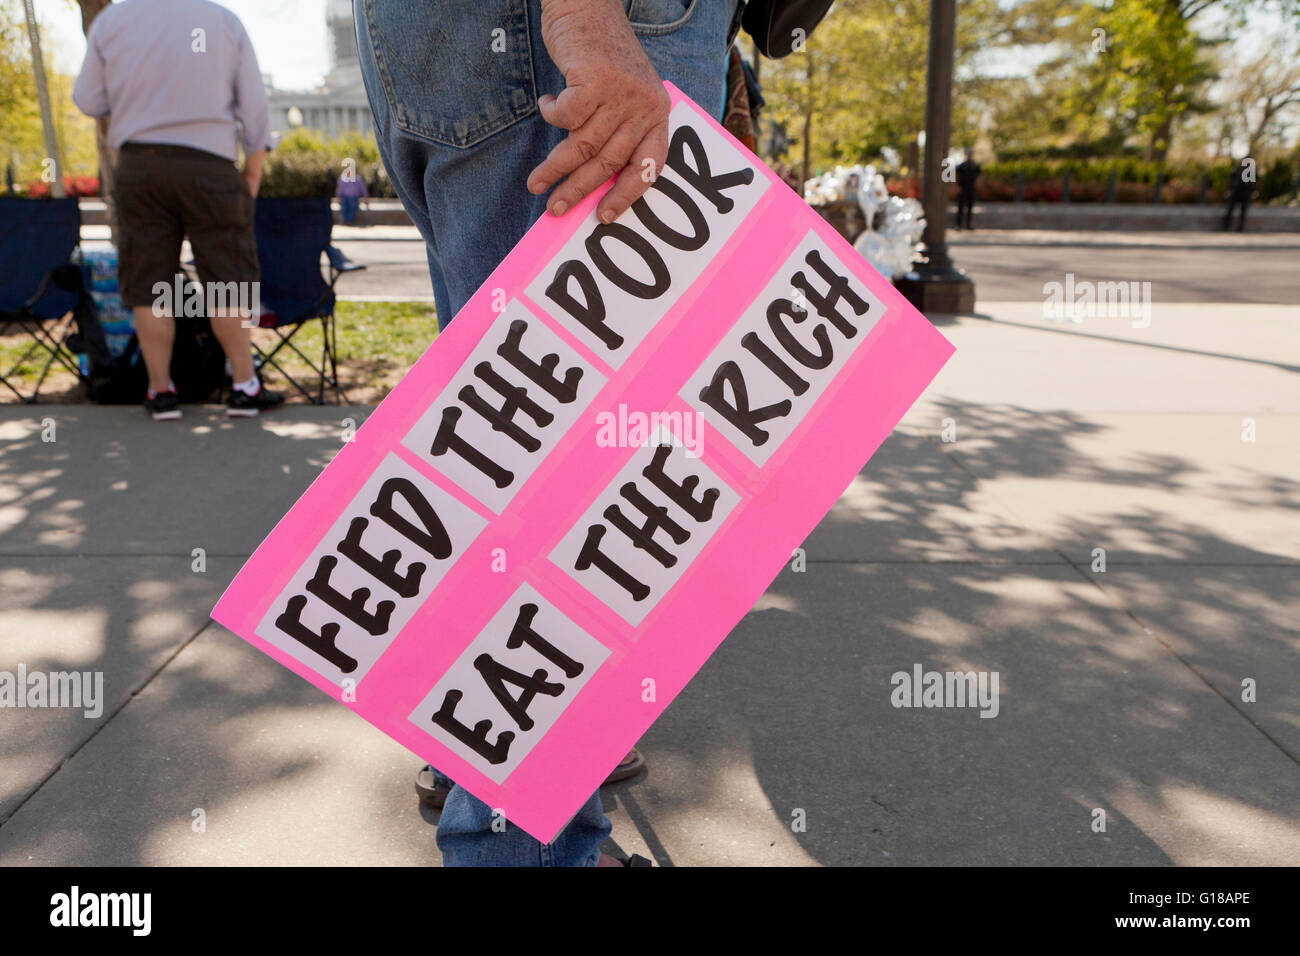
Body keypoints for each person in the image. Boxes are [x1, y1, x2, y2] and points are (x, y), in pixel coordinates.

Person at [356, 0, 742, 866]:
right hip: (572, 28)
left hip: (459, 34)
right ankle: (531, 848)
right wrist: (586, 21)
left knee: (514, 441)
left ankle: (488, 776)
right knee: (565, 480)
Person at [73, 0, 284, 421]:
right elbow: (255, 110)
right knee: (227, 277)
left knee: (149, 281)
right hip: (211, 166)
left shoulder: (112, 21)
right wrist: (253, 174)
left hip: (139, 164)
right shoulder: (224, 22)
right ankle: (244, 386)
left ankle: (160, 391)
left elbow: (87, 99)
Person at [1223, 159, 1254, 232]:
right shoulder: (1237, 169)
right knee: (1230, 210)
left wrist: (1254, 192)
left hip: (1245, 193)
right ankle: (1226, 226)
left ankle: (1240, 228)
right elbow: (1230, 179)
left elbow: (1256, 182)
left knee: (1243, 212)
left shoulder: (1251, 171)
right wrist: (1229, 190)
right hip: (1235, 192)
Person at [955, 147, 980, 230]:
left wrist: (976, 186)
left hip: (971, 188)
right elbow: (957, 176)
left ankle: (968, 225)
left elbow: (978, 177)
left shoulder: (975, 166)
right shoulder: (961, 166)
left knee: (970, 207)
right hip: (962, 188)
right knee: (960, 207)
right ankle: (958, 225)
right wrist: (957, 186)